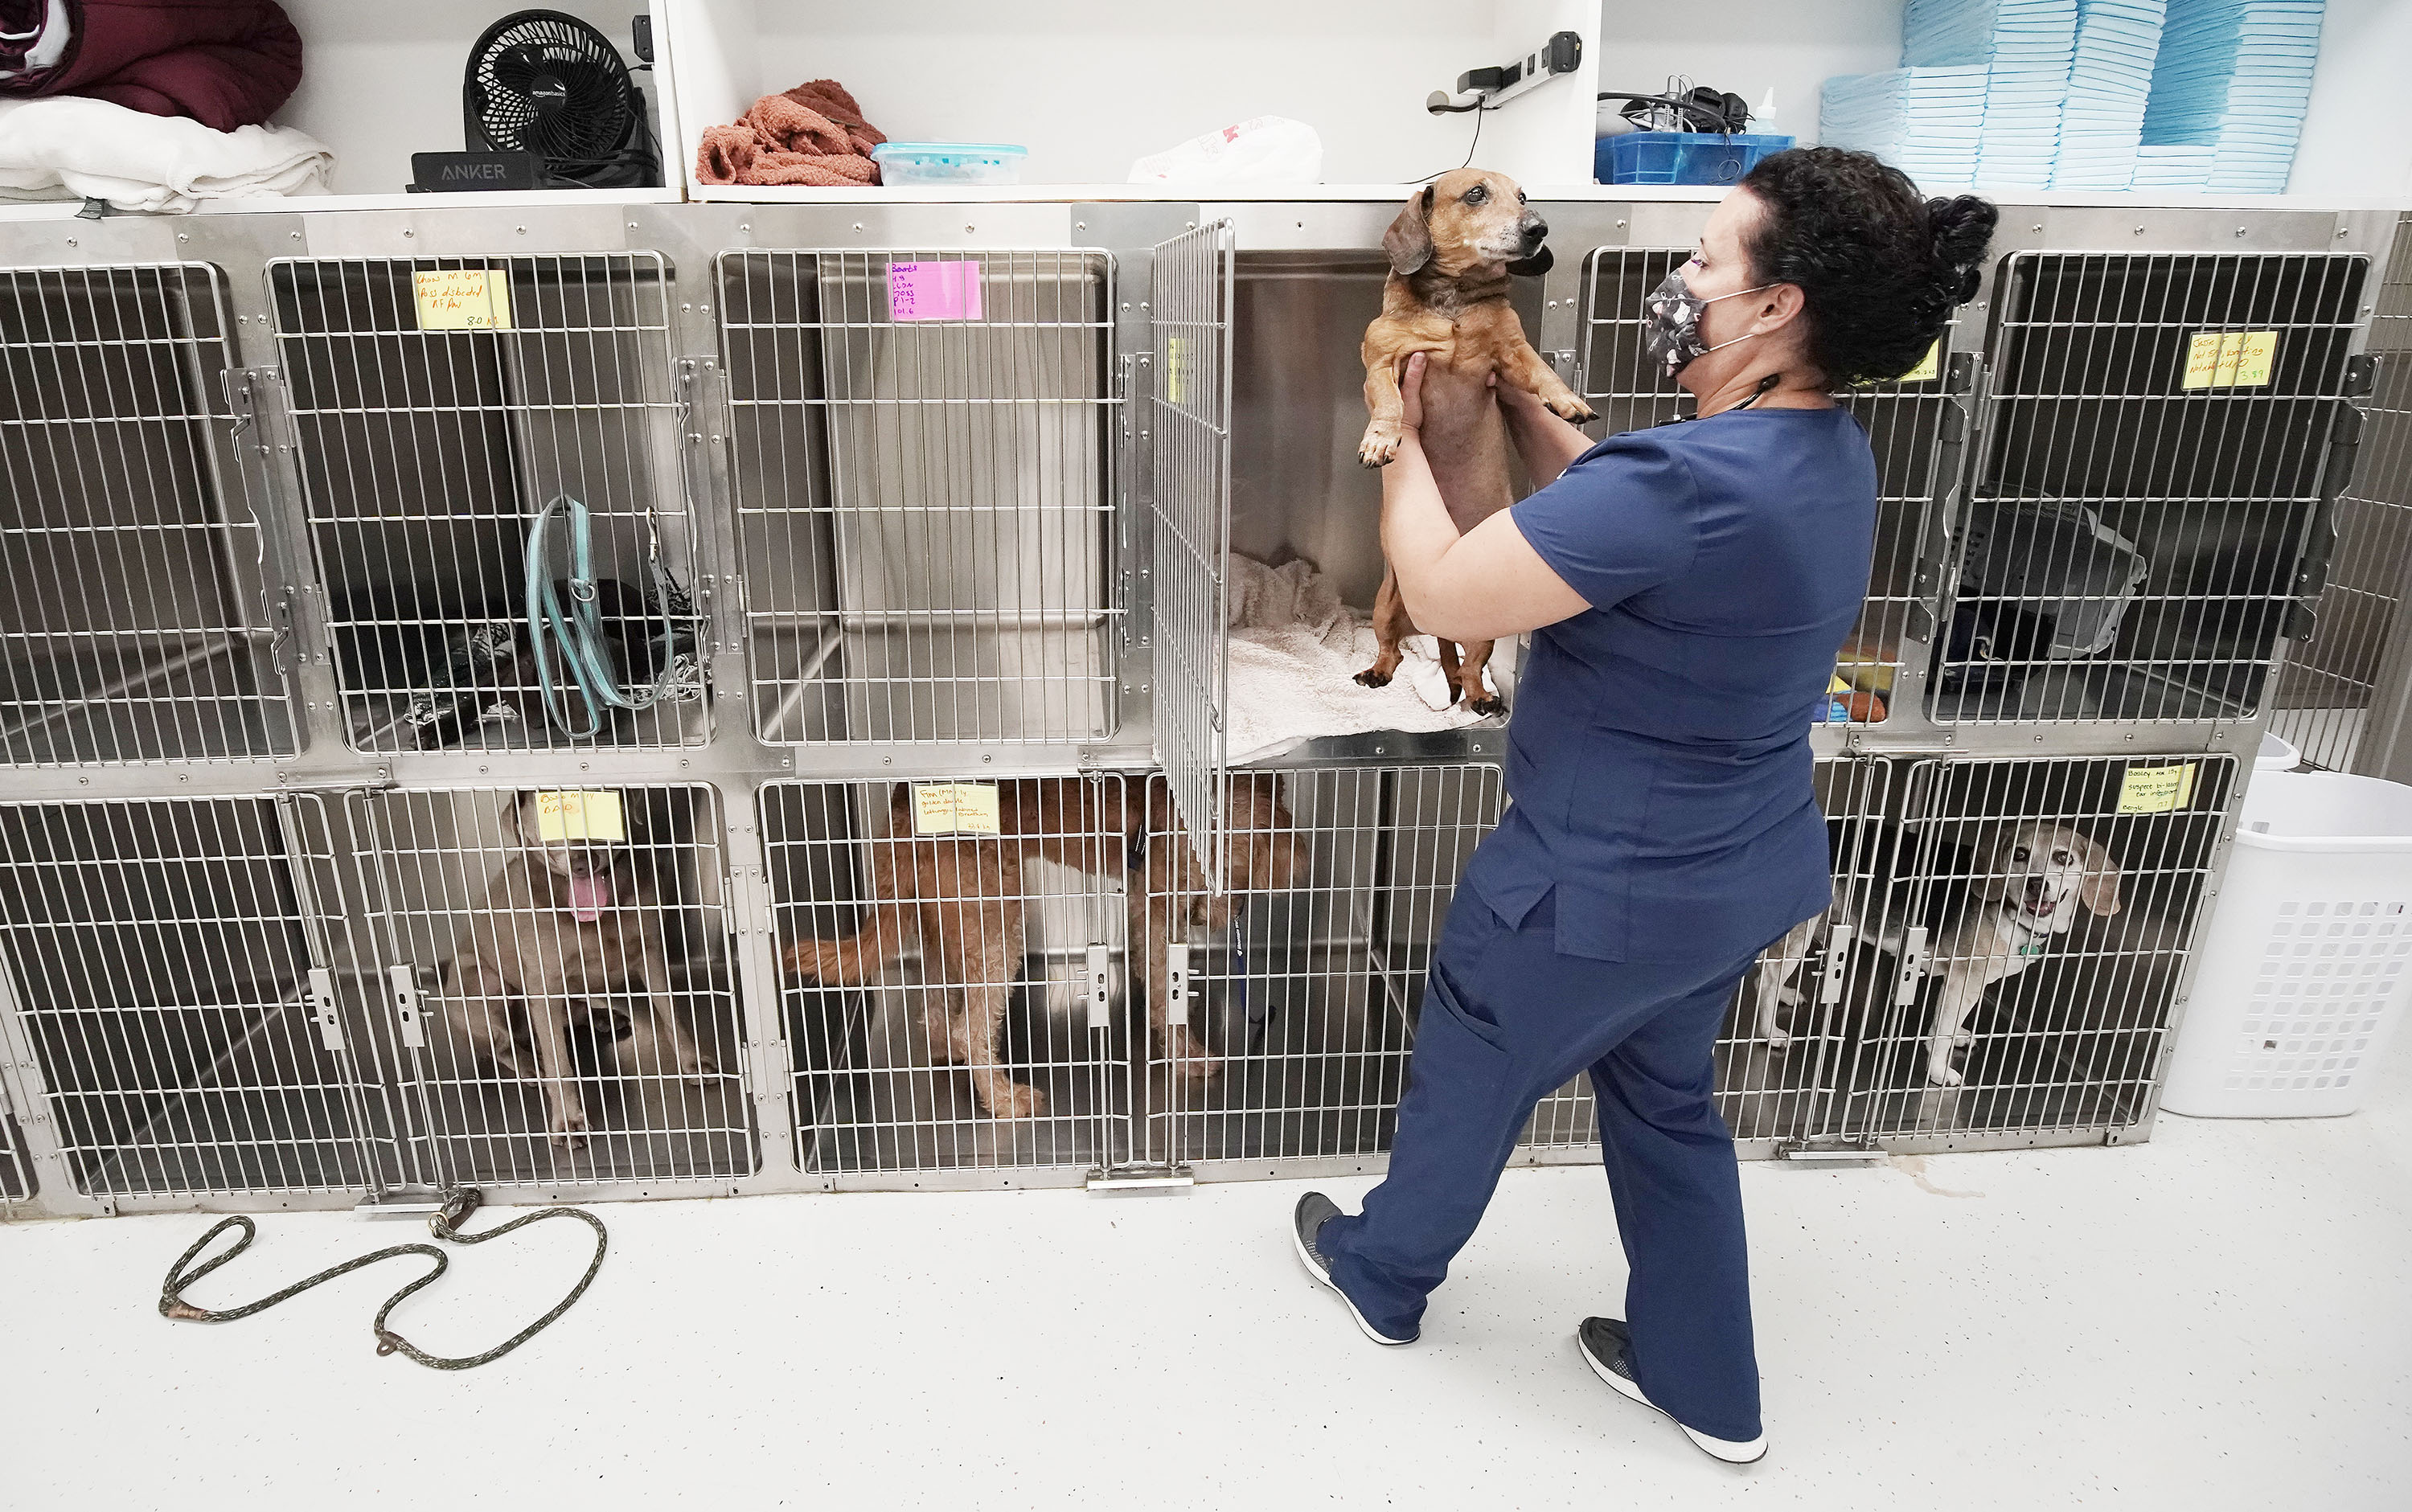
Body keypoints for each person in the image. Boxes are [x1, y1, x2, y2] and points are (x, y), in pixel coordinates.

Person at [1289, 148, 1996, 1465]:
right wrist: (1520, 406)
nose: (1681, 278)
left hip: (1589, 888)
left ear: (1776, 306)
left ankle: (1381, 1271)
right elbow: (1621, 502)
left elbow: (1442, 593)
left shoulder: (1679, 484)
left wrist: (1391, 413)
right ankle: (1706, 1382)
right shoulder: (1825, 452)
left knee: (1470, 1070)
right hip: (1737, 879)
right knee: (1670, 1109)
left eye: (1709, 259)